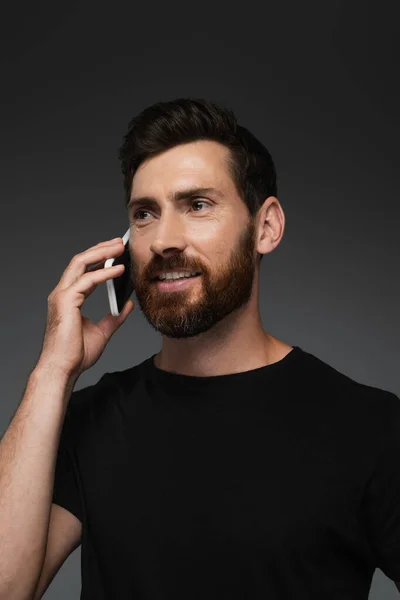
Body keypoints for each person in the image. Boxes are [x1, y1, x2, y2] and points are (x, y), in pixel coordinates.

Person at [0, 98, 399, 600]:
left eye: (198, 206)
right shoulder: (91, 419)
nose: (165, 239)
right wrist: (52, 372)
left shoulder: (369, 426)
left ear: (266, 227)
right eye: (145, 214)